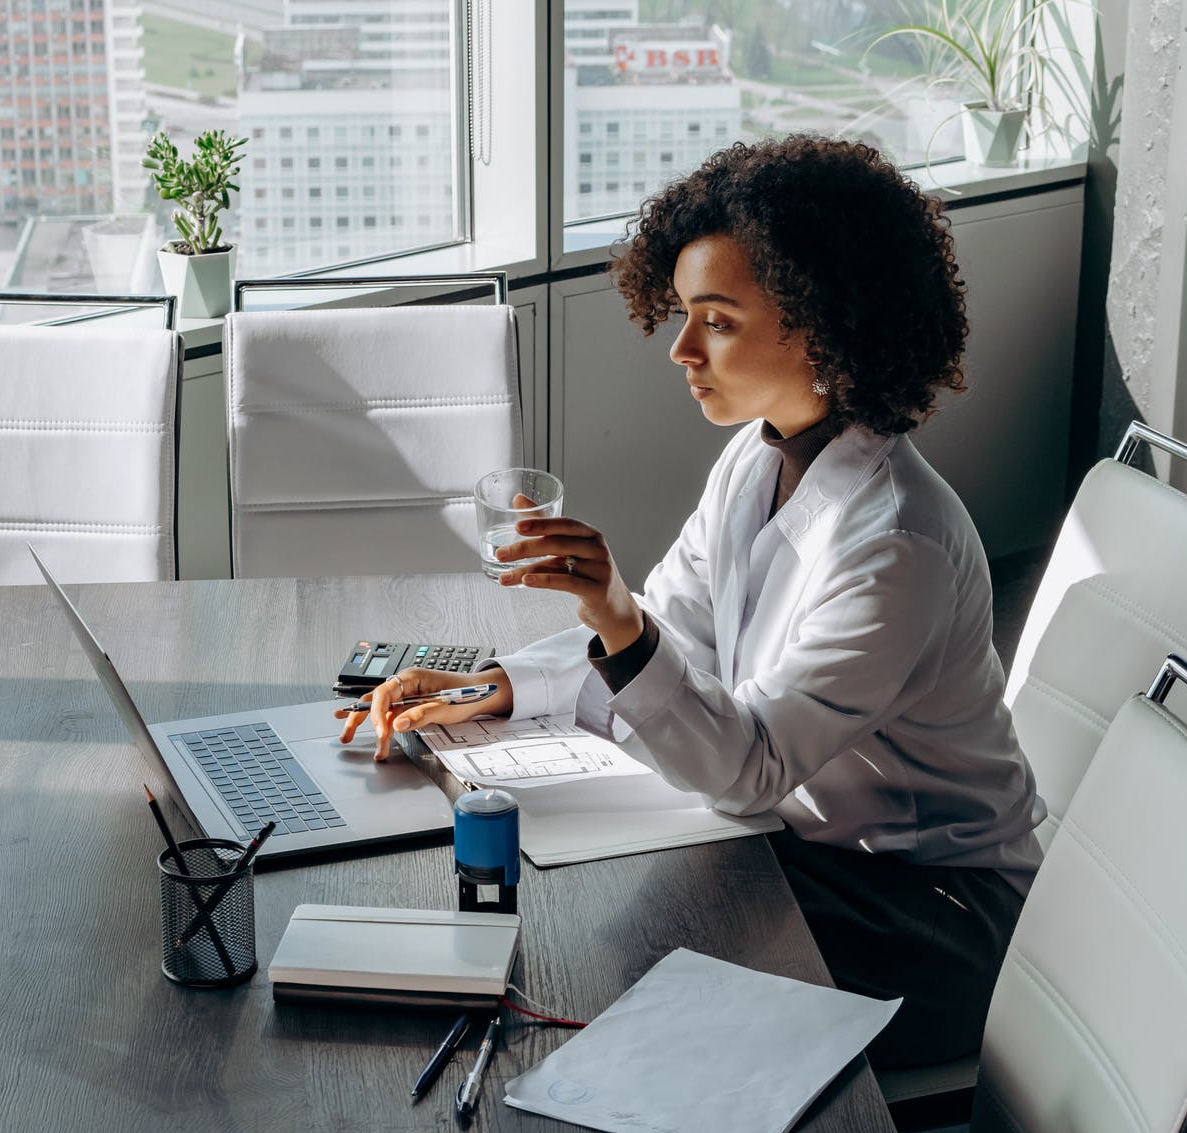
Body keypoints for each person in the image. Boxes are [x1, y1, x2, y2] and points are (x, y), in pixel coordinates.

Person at [337, 135, 1043, 1069]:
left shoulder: (895, 542)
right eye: (682, 314)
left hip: (935, 917)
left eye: (715, 320)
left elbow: (750, 762)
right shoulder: (758, 457)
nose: (679, 350)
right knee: (592, 908)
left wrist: (617, 618)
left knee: (614, 950)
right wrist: (495, 688)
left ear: (823, 324)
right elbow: (674, 638)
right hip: (807, 850)